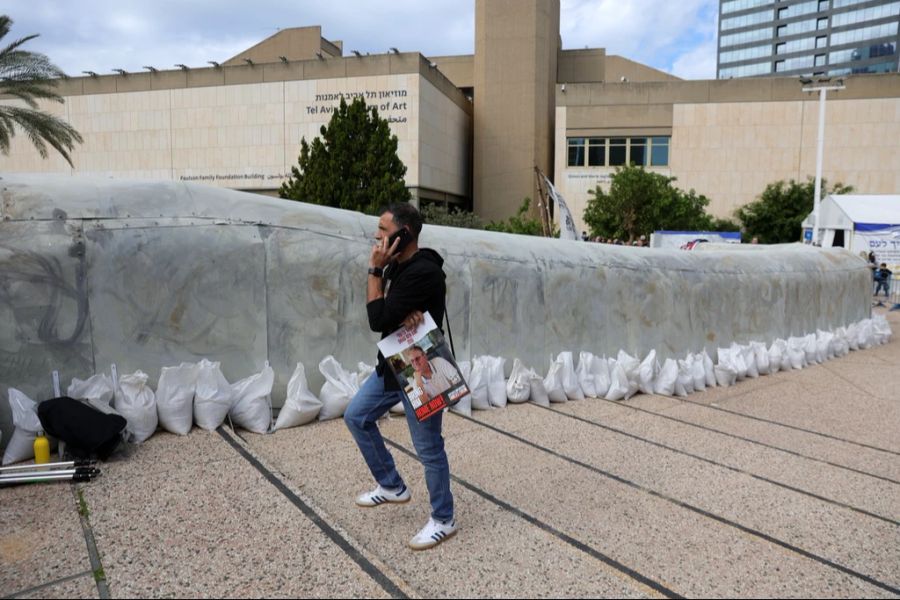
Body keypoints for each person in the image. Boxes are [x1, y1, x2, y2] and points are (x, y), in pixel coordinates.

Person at [343, 202, 458, 551]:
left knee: (428, 448)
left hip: (418, 366)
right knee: (356, 417)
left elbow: (377, 318)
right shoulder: (399, 265)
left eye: (383, 229)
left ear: (405, 233)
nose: (377, 236)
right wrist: (398, 306)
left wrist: (374, 270)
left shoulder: (421, 271)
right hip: (392, 365)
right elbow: (389, 316)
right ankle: (392, 485)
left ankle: (443, 519)